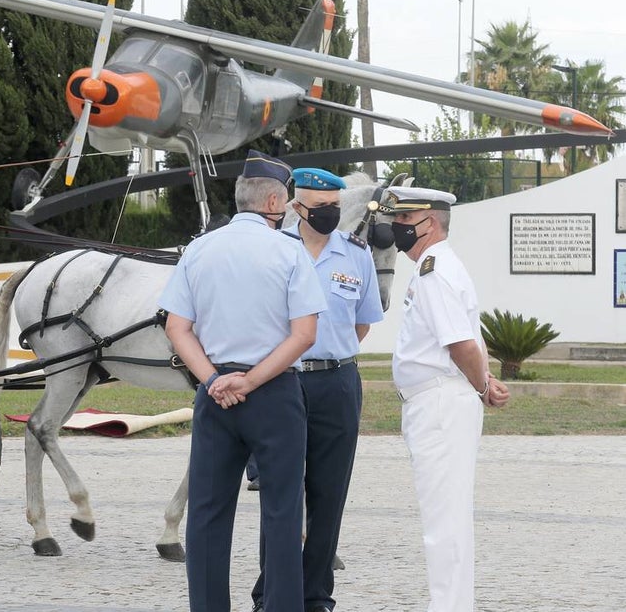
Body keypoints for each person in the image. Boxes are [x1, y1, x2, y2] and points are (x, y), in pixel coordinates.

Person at [158, 150, 327, 612]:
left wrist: (215, 378)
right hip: (273, 393)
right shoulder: (289, 251)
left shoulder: (199, 249)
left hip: (214, 394)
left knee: (208, 515)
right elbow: (305, 334)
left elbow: (177, 328)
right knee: (281, 512)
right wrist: (250, 381)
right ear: (274, 200)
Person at [251, 167, 385, 612]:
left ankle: (316, 597)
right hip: (281, 381)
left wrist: (330, 357)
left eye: (334, 207)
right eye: (320, 208)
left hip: (337, 383)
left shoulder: (356, 254)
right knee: (281, 492)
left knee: (329, 495)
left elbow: (362, 323)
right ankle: (270, 593)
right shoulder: (271, 250)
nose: (329, 214)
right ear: (296, 208)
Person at [378, 186, 510, 612]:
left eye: (402, 221)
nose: (396, 229)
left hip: (439, 404)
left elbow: (461, 345)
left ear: (428, 223)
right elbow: (470, 339)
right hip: (440, 401)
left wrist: (480, 384)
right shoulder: (441, 267)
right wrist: (484, 382)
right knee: (449, 517)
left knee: (444, 522)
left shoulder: (434, 271)